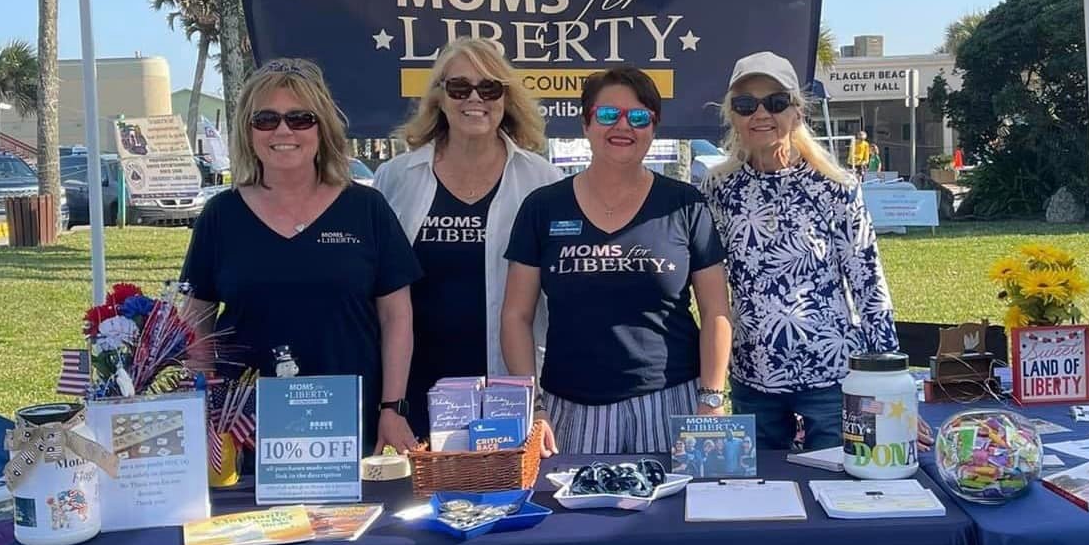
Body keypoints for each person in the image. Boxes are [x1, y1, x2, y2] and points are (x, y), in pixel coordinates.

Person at [181, 57, 420, 453]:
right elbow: (196, 321)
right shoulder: (221, 215)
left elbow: (397, 317)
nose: (283, 130)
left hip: (350, 427)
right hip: (246, 431)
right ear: (248, 131)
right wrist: (205, 406)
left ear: (322, 127)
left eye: (300, 118)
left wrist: (392, 407)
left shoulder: (366, 208)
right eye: (266, 119)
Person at [702, 51, 930, 452]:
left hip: (831, 376)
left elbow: (868, 283)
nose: (761, 114)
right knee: (761, 489)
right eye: (746, 104)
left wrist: (891, 384)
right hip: (753, 376)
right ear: (731, 114)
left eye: (776, 102)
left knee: (842, 480)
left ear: (798, 111)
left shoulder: (835, 186)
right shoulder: (717, 189)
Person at [502, 66, 732, 456]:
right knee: (570, 500)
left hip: (672, 402)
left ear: (653, 128)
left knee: (675, 500)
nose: (623, 126)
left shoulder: (685, 204)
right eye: (608, 114)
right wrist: (534, 407)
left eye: (639, 117)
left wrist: (711, 398)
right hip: (570, 410)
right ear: (586, 124)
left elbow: (716, 311)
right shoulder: (542, 207)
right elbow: (515, 316)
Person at [374, 38, 558, 436]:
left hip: (509, 385)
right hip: (416, 387)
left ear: (506, 98)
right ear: (439, 98)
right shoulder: (396, 178)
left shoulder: (541, 180)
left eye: (489, 87)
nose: (475, 98)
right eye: (459, 87)